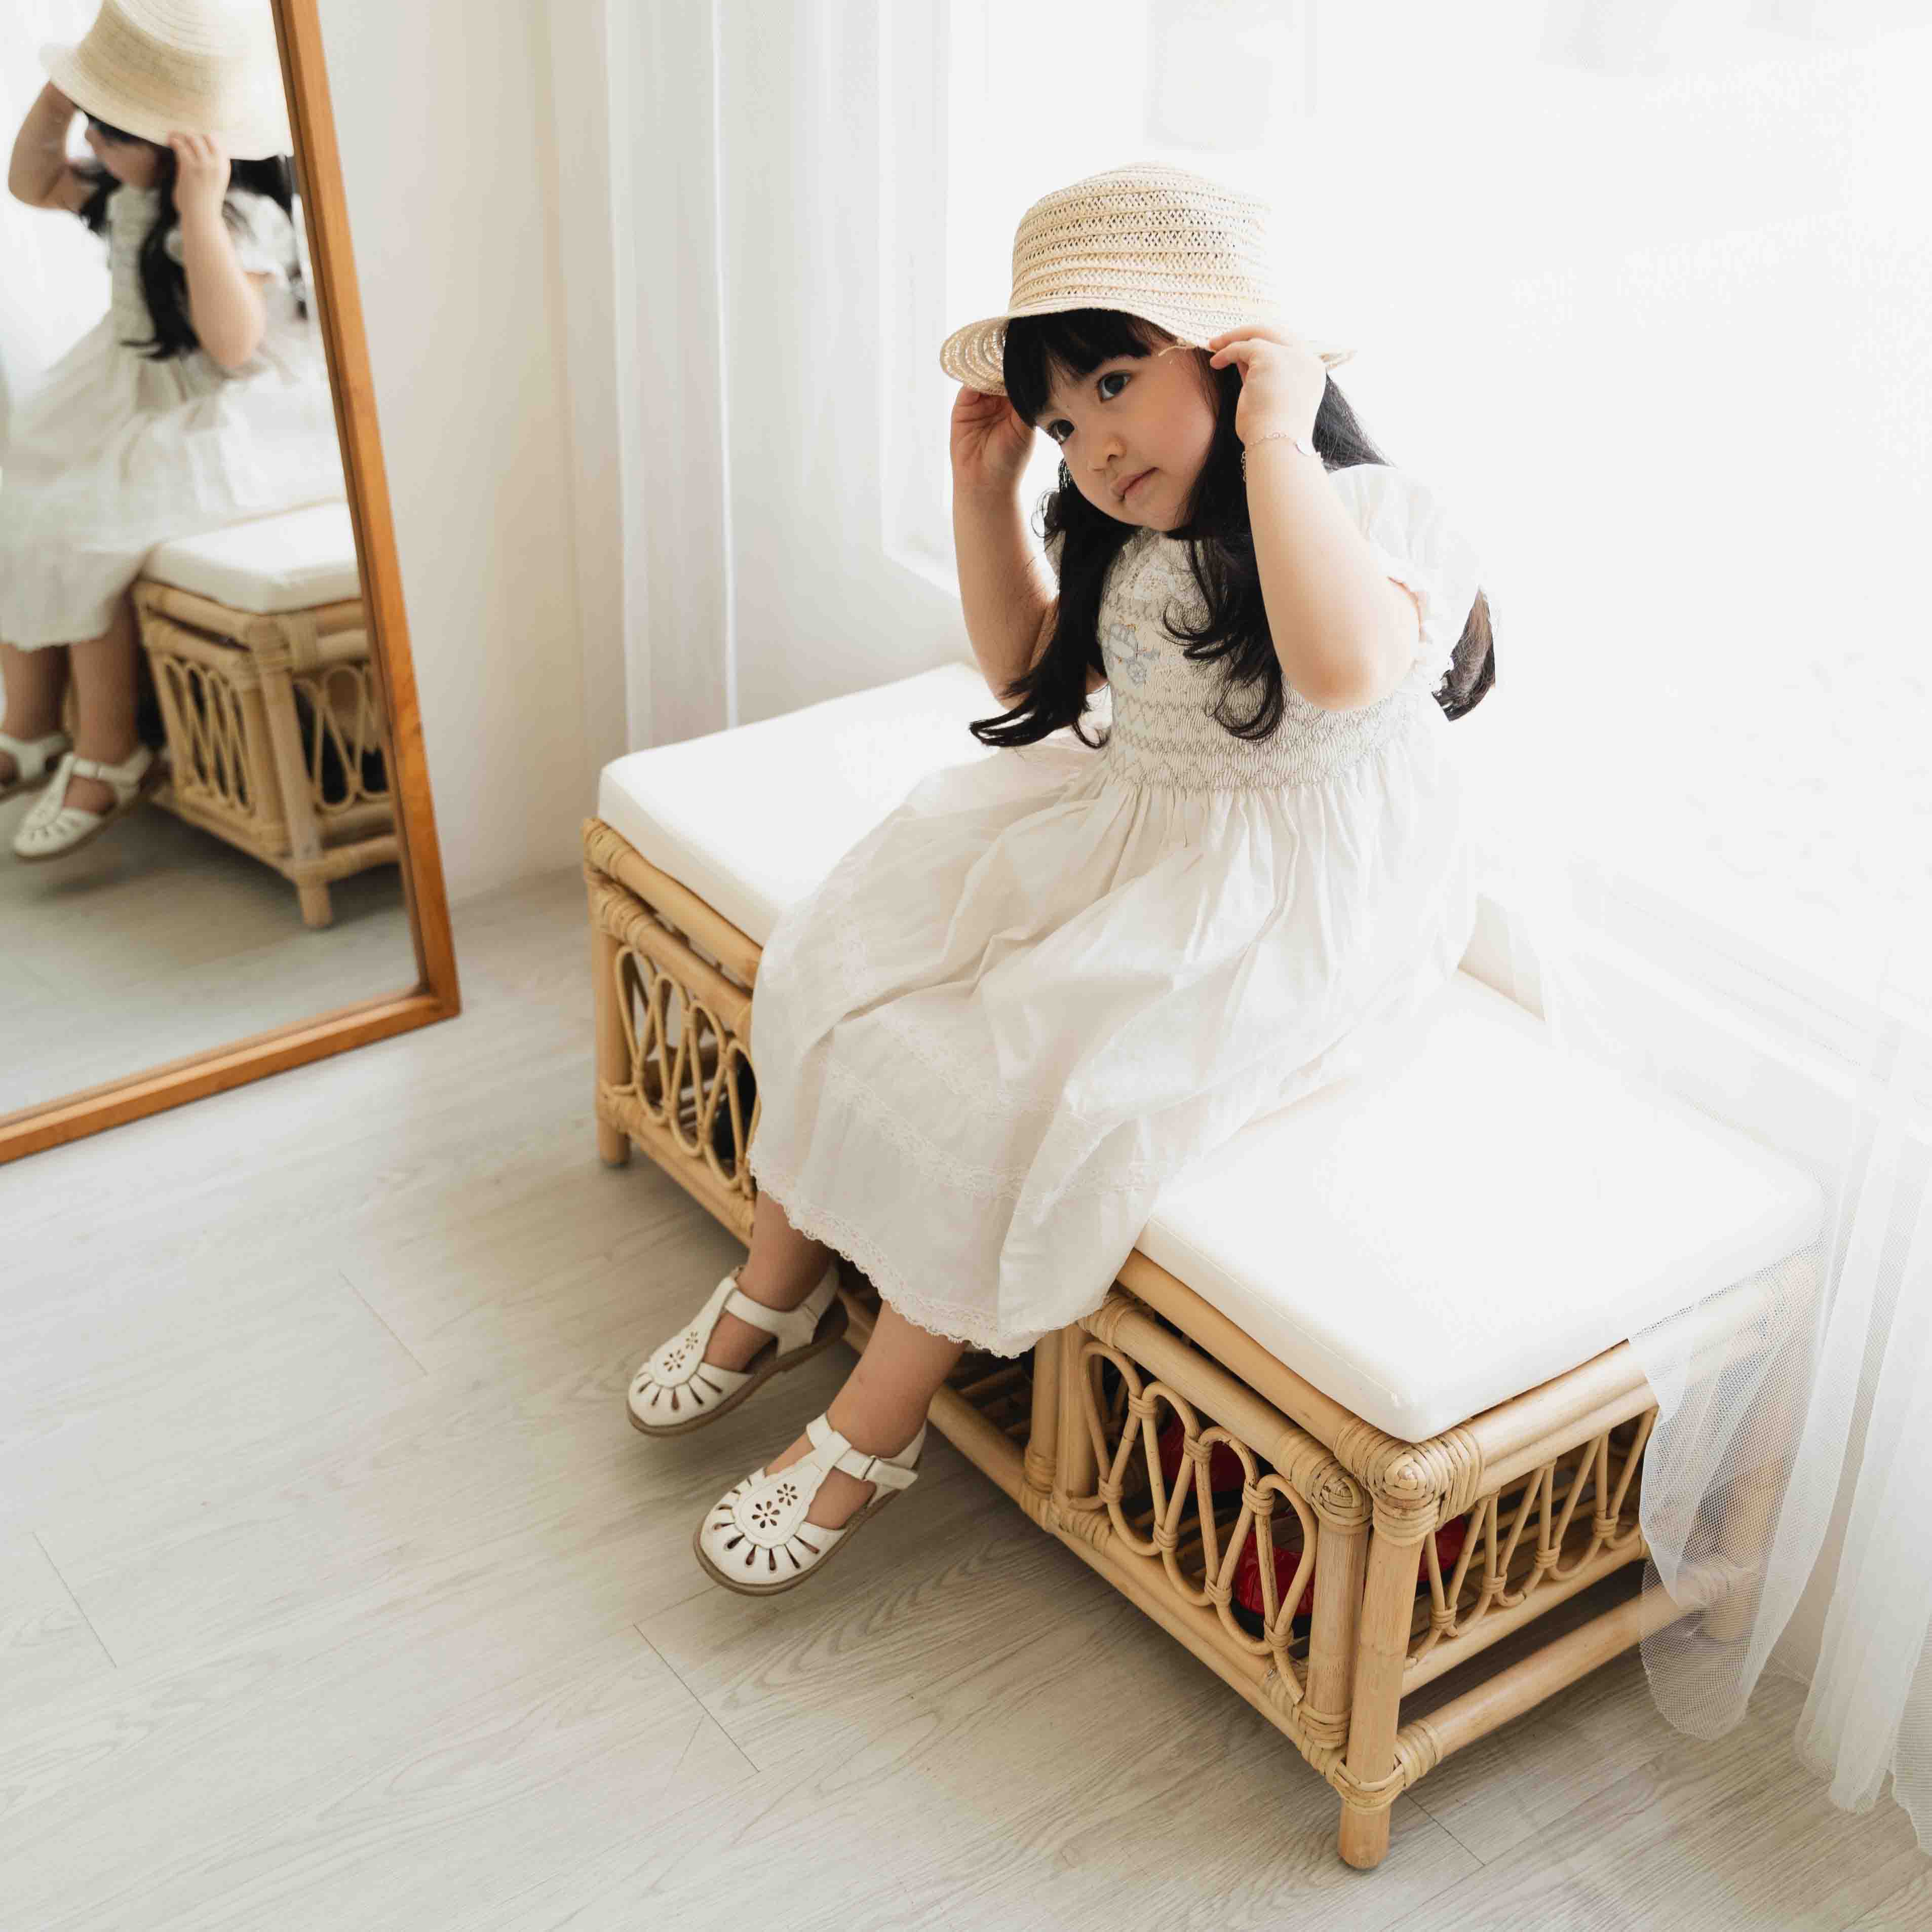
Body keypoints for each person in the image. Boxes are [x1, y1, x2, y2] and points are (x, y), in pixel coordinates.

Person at [628, 163, 1496, 1598]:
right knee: (858, 949)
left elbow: (1341, 669)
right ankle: (776, 1285)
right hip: (1138, 826)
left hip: (1286, 896)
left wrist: (1273, 432)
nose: (1088, 441)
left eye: (1111, 381)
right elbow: (1031, 674)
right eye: (1059, 417)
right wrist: (982, 486)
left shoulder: (1371, 509)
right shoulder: (1132, 526)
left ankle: (874, 1420)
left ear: (1232, 357)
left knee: (1023, 1074)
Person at [0, 0, 346, 862]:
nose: (98, 149)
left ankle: (112, 752)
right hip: (123, 385)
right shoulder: (120, 187)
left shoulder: (231, 219)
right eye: (97, 131)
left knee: (86, 524)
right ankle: (31, 724)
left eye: (114, 135)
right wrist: (66, 92)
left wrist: (199, 205)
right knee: (20, 502)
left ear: (179, 145)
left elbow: (233, 349)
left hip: (213, 400)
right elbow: (29, 181)